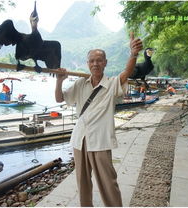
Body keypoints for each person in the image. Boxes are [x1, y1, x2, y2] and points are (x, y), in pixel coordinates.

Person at [55, 33, 143, 207]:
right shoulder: (80, 84)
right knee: (83, 182)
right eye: (92, 61)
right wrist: (59, 81)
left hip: (101, 141)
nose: (95, 64)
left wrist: (133, 54)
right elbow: (59, 99)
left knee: (108, 182)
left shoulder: (111, 84)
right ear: (88, 64)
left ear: (105, 63)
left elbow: (126, 72)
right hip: (79, 139)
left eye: (99, 60)